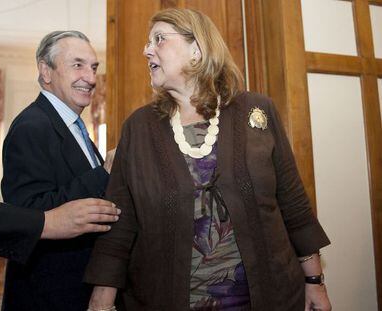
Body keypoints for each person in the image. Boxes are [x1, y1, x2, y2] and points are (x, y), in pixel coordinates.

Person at [84, 8, 332, 311]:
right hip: (165, 299)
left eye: (159, 39)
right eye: (148, 43)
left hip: (269, 297)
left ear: (197, 49)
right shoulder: (139, 127)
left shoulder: (258, 111)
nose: (146, 50)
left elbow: (294, 205)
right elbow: (121, 224)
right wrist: (101, 301)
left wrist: (315, 283)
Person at [1, 30, 112, 310]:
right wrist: (106, 172)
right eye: (78, 65)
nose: (90, 77)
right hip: (45, 296)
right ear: (45, 71)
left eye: (94, 67)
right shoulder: (31, 126)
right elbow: (28, 215)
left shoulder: (73, 126)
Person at [0, 121, 119, 310]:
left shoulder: (77, 129)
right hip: (44, 294)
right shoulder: (29, 125)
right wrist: (48, 222)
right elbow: (25, 206)